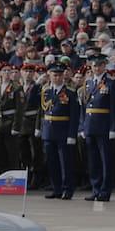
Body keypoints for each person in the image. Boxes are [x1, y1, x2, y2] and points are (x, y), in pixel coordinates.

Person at [80, 53, 115, 201]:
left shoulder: (111, 83)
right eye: (94, 65)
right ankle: (95, 189)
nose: (97, 68)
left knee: (106, 161)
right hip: (90, 127)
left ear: (105, 66)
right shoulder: (88, 83)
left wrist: (113, 128)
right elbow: (84, 107)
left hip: (104, 127)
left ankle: (105, 190)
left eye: (100, 65)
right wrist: (83, 127)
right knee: (93, 161)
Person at [40, 61, 80, 200]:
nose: (56, 78)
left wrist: (72, 134)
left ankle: (67, 189)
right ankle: (56, 188)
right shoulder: (46, 91)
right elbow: (42, 111)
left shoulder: (70, 93)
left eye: (59, 75)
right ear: (49, 75)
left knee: (65, 163)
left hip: (63, 130)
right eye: (54, 75)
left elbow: (74, 115)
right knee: (52, 162)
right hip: (48, 130)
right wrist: (39, 129)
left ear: (63, 76)